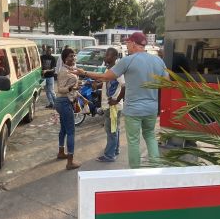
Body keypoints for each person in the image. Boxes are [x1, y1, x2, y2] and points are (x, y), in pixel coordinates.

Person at [75, 32, 167, 168]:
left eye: (128, 43)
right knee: (150, 136)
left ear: (134, 44)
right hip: (151, 108)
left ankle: (135, 171)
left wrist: (84, 73)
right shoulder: (158, 61)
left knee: (134, 141)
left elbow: (105, 77)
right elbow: (167, 82)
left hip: (133, 110)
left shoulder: (128, 60)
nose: (126, 45)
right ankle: (155, 168)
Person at [95, 47, 125, 163]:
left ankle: (109, 155)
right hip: (109, 106)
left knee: (111, 131)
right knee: (114, 129)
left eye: (108, 55)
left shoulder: (117, 70)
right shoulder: (109, 69)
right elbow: (106, 84)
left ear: (115, 57)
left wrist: (116, 100)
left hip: (113, 107)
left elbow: (124, 86)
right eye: (105, 54)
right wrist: (97, 86)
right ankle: (115, 150)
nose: (105, 57)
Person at [55, 48, 81, 170]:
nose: (73, 58)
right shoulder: (64, 71)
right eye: (71, 56)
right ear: (65, 58)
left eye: (74, 55)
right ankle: (70, 162)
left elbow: (72, 87)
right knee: (71, 132)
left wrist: (76, 89)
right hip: (64, 102)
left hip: (63, 102)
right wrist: (71, 88)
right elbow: (60, 89)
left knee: (64, 129)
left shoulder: (70, 70)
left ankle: (61, 152)